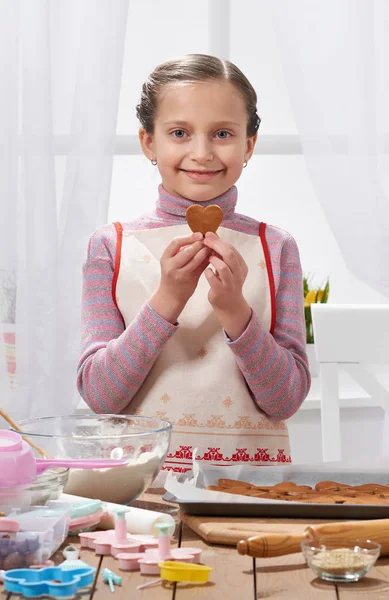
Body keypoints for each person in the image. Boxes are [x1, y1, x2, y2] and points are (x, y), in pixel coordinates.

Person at [77, 54, 311, 474]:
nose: (201, 153)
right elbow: (101, 395)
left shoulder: (276, 247)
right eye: (180, 133)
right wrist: (167, 298)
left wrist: (236, 312)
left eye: (222, 133)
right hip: (136, 489)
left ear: (248, 145)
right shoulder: (110, 246)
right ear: (150, 142)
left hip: (248, 492)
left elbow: (285, 401)